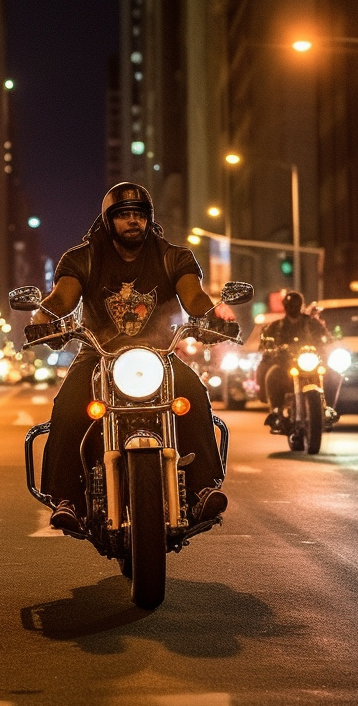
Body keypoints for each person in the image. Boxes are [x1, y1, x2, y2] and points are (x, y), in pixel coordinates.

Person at [30, 182, 238, 532]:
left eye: (138, 215)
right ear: (108, 221)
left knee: (195, 395)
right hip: (99, 356)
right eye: (123, 215)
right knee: (67, 406)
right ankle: (66, 498)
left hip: (159, 355)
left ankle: (202, 489)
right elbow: (61, 300)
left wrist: (215, 318)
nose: (132, 222)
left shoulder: (174, 256)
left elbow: (196, 299)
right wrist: (43, 320)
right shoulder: (83, 257)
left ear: (148, 219)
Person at [258, 291, 333, 433]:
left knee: (332, 375)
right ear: (285, 306)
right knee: (272, 374)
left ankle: (328, 408)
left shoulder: (312, 323)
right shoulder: (276, 326)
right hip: (286, 364)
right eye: (289, 305)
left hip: (310, 362)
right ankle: (276, 412)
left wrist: (327, 343)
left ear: (301, 305)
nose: (292, 308)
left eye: (295, 305)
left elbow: (326, 337)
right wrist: (270, 347)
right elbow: (265, 343)